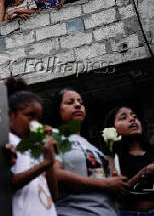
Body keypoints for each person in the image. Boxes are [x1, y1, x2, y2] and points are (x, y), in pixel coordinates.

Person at [50, 87, 127, 216]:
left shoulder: (90, 145)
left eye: (80, 102)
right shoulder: (53, 136)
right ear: (57, 109)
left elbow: (107, 183)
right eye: (70, 102)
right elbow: (53, 173)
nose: (77, 105)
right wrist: (104, 183)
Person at [104, 105, 154, 216]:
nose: (132, 119)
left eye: (134, 116)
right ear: (112, 129)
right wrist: (145, 172)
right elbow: (117, 194)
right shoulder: (112, 158)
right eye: (123, 117)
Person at [5, 77, 58, 216]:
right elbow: (7, 184)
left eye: (37, 119)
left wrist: (49, 158)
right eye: (29, 116)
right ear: (10, 114)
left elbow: (54, 194)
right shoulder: (6, 140)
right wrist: (45, 163)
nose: (34, 123)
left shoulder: (36, 146)